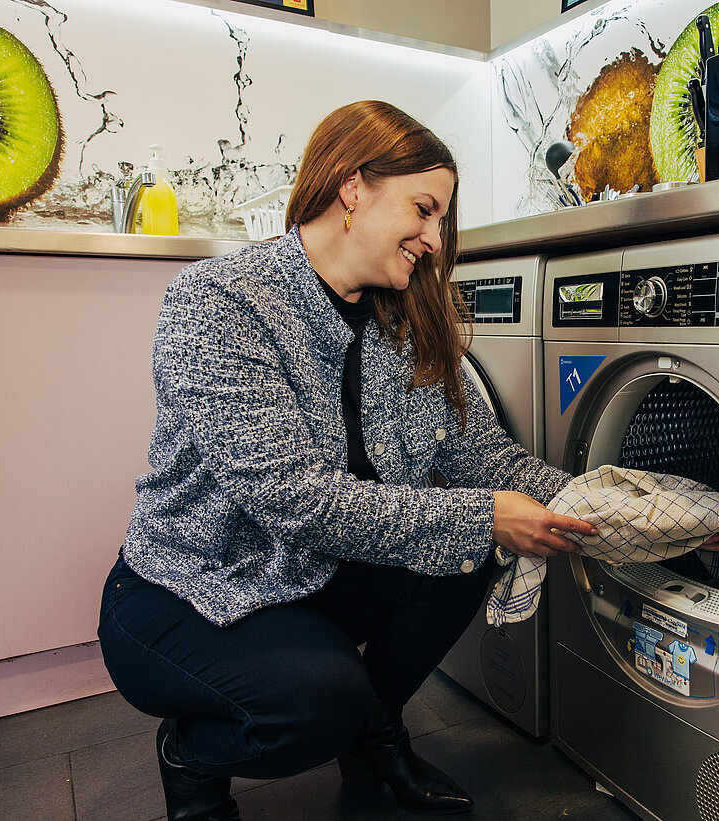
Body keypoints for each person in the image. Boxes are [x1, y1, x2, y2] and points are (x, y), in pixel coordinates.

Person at [97, 100, 597, 820]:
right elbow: (293, 496)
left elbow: (477, 451)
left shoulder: (403, 317)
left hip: (311, 570)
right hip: (189, 588)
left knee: (464, 552)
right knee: (318, 700)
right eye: (424, 210)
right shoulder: (218, 302)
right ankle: (192, 756)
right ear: (353, 187)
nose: (433, 238)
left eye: (441, 221)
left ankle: (374, 731)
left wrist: (602, 500)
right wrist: (487, 512)